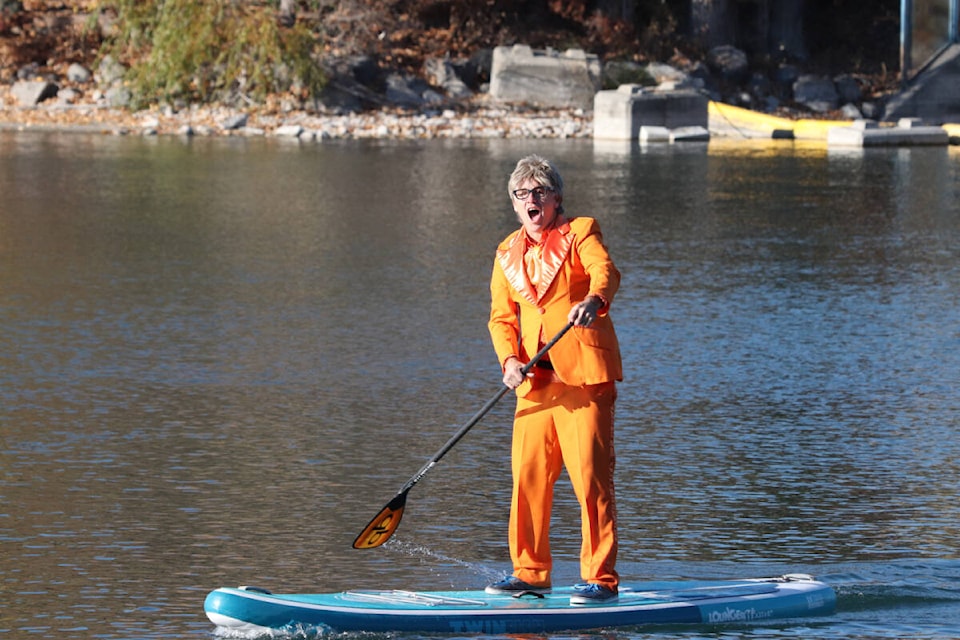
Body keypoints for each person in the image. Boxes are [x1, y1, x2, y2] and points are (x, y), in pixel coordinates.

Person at [485, 154, 623, 605]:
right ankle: (529, 572)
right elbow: (501, 319)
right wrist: (508, 361)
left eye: (539, 191)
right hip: (534, 385)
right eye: (521, 194)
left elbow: (605, 271)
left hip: (582, 382)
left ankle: (599, 579)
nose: (531, 200)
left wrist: (596, 300)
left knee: (590, 481)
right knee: (526, 479)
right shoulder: (506, 252)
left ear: (556, 197)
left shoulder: (581, 231)